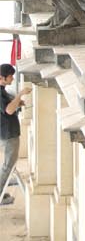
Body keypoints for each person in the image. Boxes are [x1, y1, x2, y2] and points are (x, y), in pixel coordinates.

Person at [1, 63, 27, 207]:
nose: (12, 79)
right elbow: (9, 110)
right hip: (9, 133)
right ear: (2, 78)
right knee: (8, 166)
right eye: (10, 76)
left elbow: (9, 106)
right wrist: (20, 95)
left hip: (9, 132)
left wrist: (17, 102)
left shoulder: (3, 90)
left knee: (8, 166)